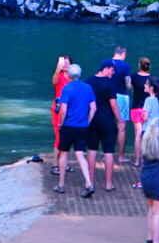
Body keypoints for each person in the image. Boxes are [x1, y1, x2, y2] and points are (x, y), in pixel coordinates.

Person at [53, 62, 97, 195]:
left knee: (64, 153)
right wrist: (87, 121)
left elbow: (63, 109)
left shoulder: (67, 88)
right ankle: (89, 183)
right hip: (83, 126)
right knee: (80, 154)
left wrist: (61, 123)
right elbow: (93, 108)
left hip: (68, 126)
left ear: (69, 76)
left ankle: (61, 185)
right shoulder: (88, 87)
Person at [85, 60, 122, 191]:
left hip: (92, 120)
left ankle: (90, 182)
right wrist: (120, 120)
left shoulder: (88, 81)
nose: (113, 72)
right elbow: (113, 104)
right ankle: (108, 184)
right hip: (107, 122)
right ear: (105, 69)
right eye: (112, 69)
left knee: (92, 151)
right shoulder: (110, 83)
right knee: (108, 152)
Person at [129, 56, 153, 166]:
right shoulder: (152, 79)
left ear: (139, 65)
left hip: (136, 108)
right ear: (149, 67)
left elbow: (130, 87)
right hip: (147, 109)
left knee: (137, 134)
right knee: (147, 134)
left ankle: (137, 161)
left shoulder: (133, 77)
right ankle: (145, 160)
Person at [50, 55, 73, 174]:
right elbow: (54, 82)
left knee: (67, 137)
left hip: (70, 110)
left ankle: (63, 163)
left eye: (68, 63)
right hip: (59, 110)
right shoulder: (58, 75)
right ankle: (55, 164)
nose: (66, 65)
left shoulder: (73, 77)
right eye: (63, 63)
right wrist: (57, 70)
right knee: (59, 137)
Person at [111, 45, 132, 155]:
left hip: (107, 97)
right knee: (122, 126)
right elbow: (128, 85)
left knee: (109, 125)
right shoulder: (125, 66)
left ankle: (107, 153)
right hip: (121, 97)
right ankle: (120, 156)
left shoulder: (105, 63)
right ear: (122, 53)